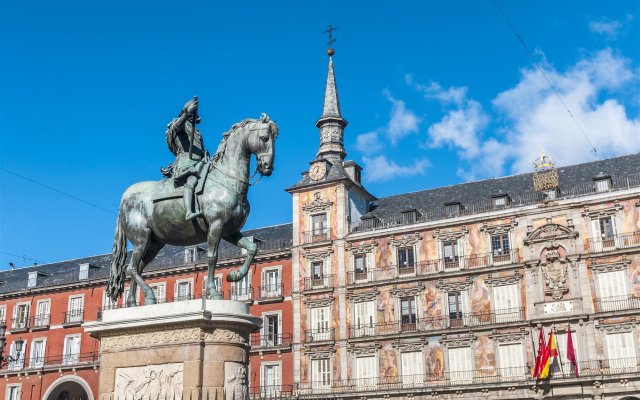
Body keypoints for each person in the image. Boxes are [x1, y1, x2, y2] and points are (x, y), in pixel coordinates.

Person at [164, 97, 207, 221]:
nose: (195, 115)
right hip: (185, 163)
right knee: (192, 179)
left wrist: (204, 154)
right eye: (193, 113)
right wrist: (187, 113)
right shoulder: (178, 123)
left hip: (200, 163)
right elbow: (177, 127)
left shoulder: (198, 132)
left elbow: (199, 149)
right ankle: (189, 212)